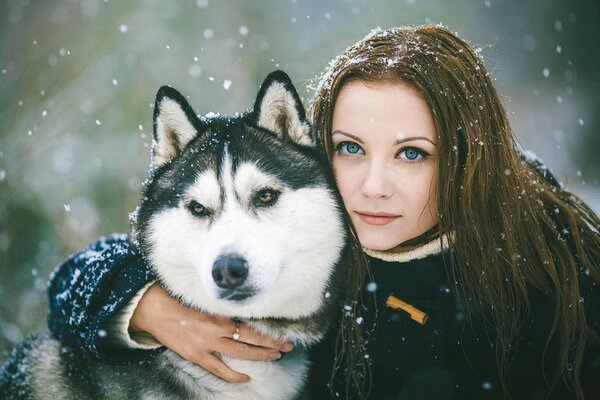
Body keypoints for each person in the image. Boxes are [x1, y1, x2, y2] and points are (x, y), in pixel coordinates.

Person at [45, 24, 599, 399]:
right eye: (351, 148)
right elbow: (72, 283)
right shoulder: (324, 243)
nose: (372, 187)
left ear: (466, 158)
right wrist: (145, 307)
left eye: (412, 153)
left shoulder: (554, 273)